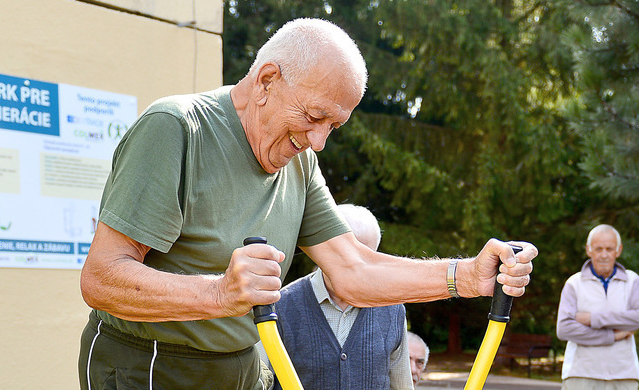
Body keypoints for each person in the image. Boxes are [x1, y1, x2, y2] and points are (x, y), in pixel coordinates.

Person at [78, 17, 538, 390]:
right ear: (266, 81)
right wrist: (218, 293)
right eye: (314, 116)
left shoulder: (297, 162)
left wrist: (466, 276)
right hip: (154, 367)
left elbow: (353, 271)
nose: (318, 141)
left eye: (333, 127)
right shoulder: (176, 129)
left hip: (241, 367)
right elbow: (101, 277)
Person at [267, 203, 412, 389]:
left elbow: (402, 386)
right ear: (323, 250)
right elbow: (261, 382)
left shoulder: (392, 310)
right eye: (347, 256)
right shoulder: (280, 305)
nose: (356, 267)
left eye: (365, 258)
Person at [556, 224, 639, 390]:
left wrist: (592, 319)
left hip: (624, 375)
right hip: (581, 375)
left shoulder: (632, 280)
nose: (604, 255)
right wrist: (613, 336)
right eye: (598, 249)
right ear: (588, 250)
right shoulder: (574, 283)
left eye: (609, 249)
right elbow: (564, 329)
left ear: (618, 250)